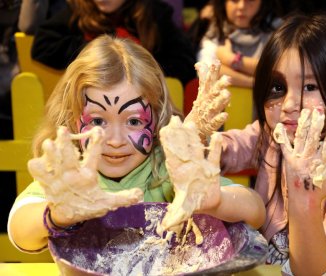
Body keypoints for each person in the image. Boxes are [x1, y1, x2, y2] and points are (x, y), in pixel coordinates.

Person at [7, 35, 266, 253]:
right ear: (73, 121)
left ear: (158, 119)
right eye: (97, 122)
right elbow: (19, 229)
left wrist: (217, 203)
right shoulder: (69, 177)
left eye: (133, 121)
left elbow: (255, 211)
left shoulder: (170, 170)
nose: (116, 141)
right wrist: (56, 216)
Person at [191, 14, 326, 275]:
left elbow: (322, 272)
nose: (288, 105)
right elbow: (227, 149)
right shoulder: (274, 136)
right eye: (278, 86)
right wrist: (196, 139)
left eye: (310, 86)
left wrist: (304, 196)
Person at [30, 0, 196, 86]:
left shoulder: (154, 15)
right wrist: (97, 54)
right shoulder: (78, 12)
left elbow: (184, 63)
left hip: (144, 110)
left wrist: (143, 69)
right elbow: (42, 45)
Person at [197, 0, 283, 88]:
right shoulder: (217, 29)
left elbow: (280, 71)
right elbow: (208, 71)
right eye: (234, 0)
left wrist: (231, 59)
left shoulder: (279, 31)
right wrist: (254, 82)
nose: (241, 6)